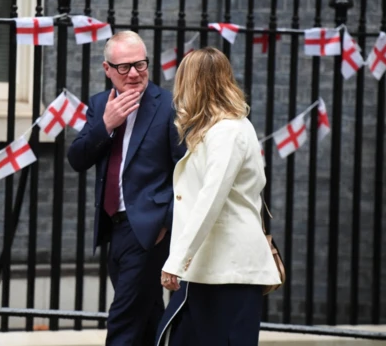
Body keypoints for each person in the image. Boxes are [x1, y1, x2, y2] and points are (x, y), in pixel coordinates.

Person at [155, 47, 281, 346]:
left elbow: (210, 200)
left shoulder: (228, 132)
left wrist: (176, 261)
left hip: (229, 272)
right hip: (210, 269)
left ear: (194, 83)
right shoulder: (216, 130)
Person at [67, 31, 186, 346]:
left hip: (148, 230)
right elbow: (77, 159)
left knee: (122, 320)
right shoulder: (99, 104)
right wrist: (106, 124)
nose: (134, 73)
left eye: (140, 65)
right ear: (107, 69)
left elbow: (187, 171)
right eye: (124, 67)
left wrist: (165, 223)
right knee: (145, 317)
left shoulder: (167, 106)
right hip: (113, 228)